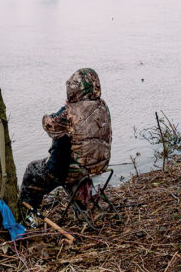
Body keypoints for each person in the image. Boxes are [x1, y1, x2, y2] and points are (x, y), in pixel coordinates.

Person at [19, 68, 112, 213]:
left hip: (73, 172)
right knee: (71, 148)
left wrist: (57, 111)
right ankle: (81, 208)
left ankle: (28, 214)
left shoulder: (69, 112)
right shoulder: (102, 106)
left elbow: (50, 125)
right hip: (97, 167)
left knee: (32, 170)